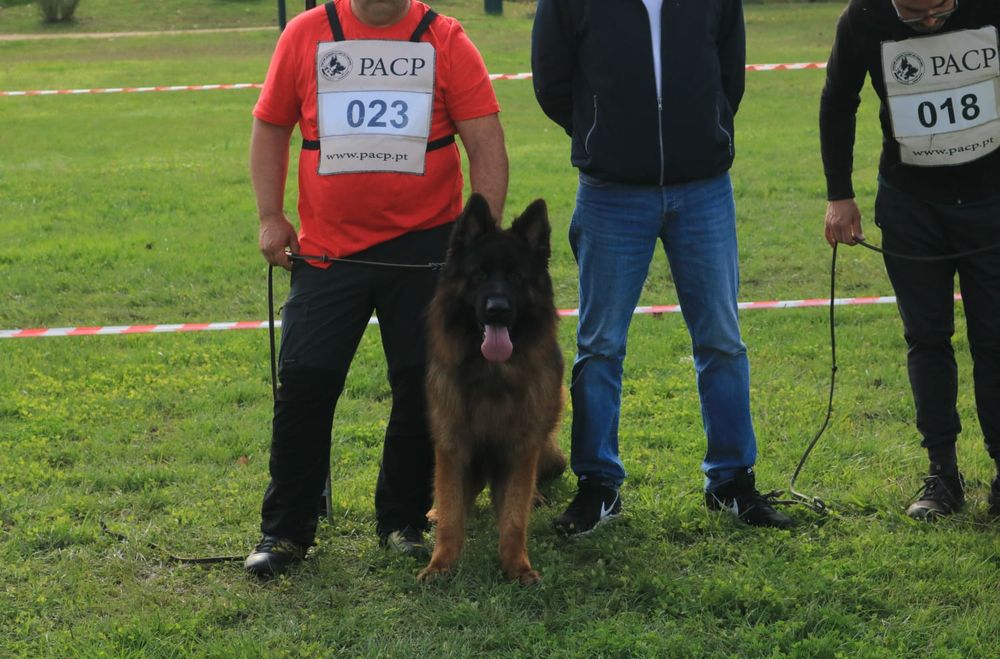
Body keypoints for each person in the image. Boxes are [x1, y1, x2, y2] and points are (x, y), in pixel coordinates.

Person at [245, 0, 508, 577]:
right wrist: (271, 215)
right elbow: (270, 125)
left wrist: (481, 241)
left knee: (420, 383)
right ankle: (285, 531)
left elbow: (485, 142)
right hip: (327, 250)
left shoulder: (445, 39)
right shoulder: (305, 35)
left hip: (427, 253)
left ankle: (403, 521)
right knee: (306, 379)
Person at [531, 0, 792, 535]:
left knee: (721, 338)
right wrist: (604, 134)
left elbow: (729, 74)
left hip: (703, 189)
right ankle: (598, 485)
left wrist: (704, 130)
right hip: (609, 193)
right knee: (599, 345)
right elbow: (551, 83)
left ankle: (731, 482)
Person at [820, 0, 1000, 520]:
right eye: (914, 13)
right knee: (926, 337)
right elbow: (837, 100)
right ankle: (942, 477)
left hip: (991, 201)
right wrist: (839, 195)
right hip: (911, 204)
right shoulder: (865, 17)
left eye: (940, 9)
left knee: (995, 339)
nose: (928, 23)